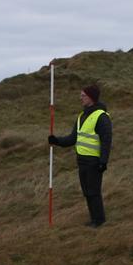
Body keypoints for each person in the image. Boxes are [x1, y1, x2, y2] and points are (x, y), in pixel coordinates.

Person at [48, 83, 112, 227]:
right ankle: (94, 219)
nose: (80, 98)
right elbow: (73, 138)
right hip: (82, 160)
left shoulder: (101, 117)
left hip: (94, 162)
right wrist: (56, 140)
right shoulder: (81, 116)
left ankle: (99, 221)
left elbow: (106, 141)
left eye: (83, 96)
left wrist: (103, 161)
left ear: (91, 98)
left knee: (94, 192)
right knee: (87, 192)